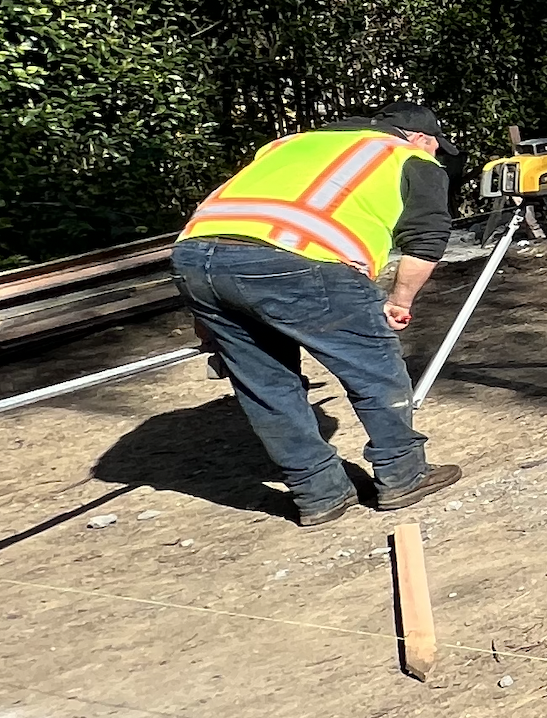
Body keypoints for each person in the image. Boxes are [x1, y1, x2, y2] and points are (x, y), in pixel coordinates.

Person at [170, 106, 462, 526]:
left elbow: (231, 225)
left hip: (194, 258)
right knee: (374, 370)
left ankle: (318, 493)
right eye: (437, 146)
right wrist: (400, 301)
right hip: (298, 256)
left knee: (265, 385)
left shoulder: (287, 144)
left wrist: (208, 316)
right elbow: (427, 239)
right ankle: (403, 474)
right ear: (416, 137)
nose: (437, 155)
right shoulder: (406, 155)